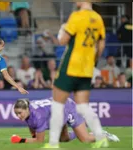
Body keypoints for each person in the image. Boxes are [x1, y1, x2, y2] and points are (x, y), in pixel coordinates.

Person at [45, 2, 107, 148]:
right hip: (86, 68)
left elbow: (62, 40)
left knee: (57, 104)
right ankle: (100, 137)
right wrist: (93, 61)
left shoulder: (77, 16)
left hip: (71, 66)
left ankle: (53, 144)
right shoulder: (98, 18)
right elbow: (101, 45)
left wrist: (62, 30)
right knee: (83, 106)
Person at [11, 98, 120, 144]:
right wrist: (33, 137)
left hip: (67, 107)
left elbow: (39, 141)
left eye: (20, 113)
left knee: (84, 139)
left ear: (26, 109)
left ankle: (104, 135)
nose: (18, 116)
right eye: (16, 113)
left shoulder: (38, 116)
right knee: (64, 139)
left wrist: (20, 140)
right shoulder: (28, 111)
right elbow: (31, 125)